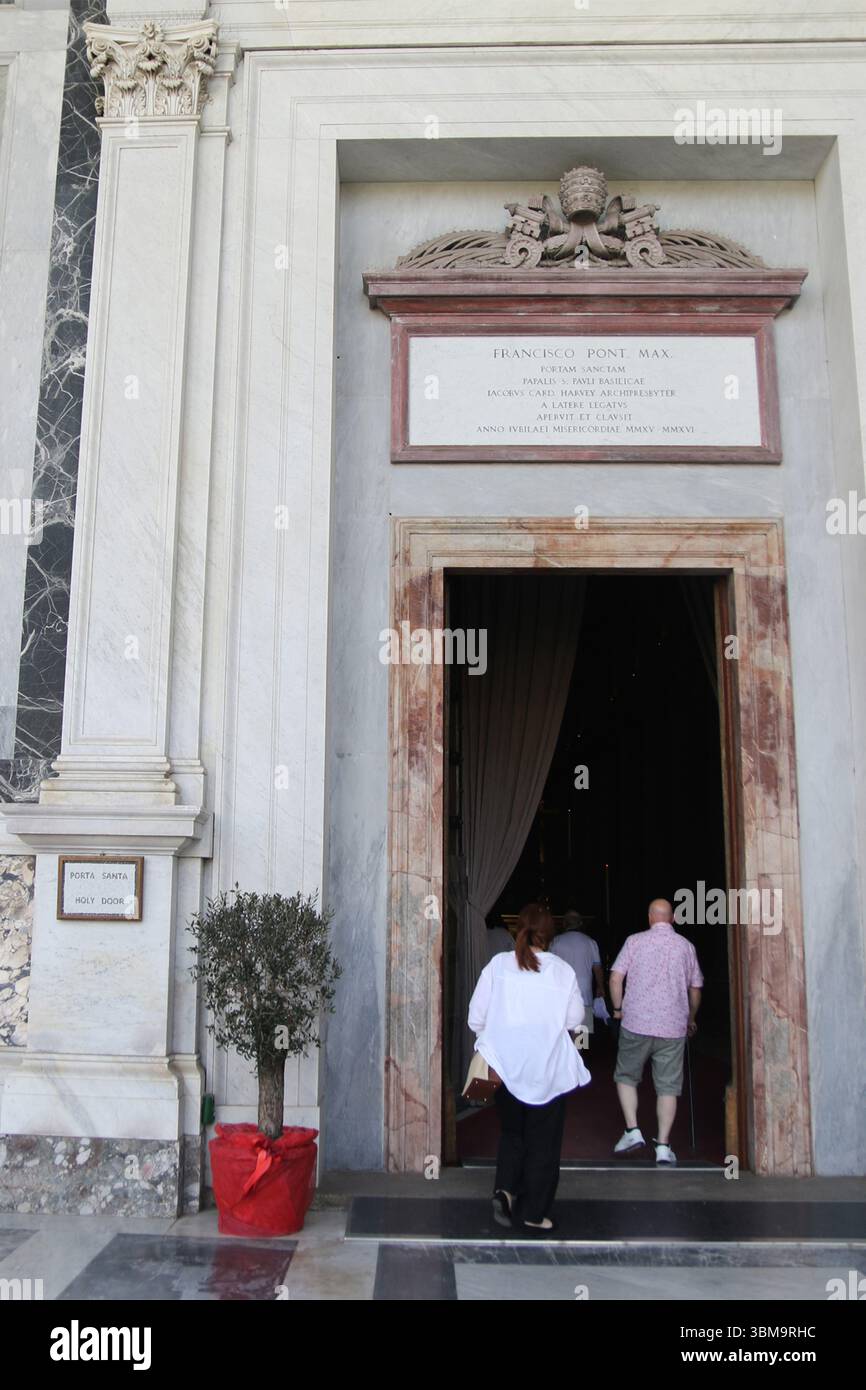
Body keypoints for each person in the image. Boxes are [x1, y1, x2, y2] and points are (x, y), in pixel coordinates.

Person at [468, 901, 589, 1232]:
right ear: (551, 934)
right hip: (547, 1069)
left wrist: (499, 1036)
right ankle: (534, 1212)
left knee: (512, 1134)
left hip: (505, 1069)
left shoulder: (498, 965)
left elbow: (475, 1016)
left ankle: (505, 1192)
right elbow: (575, 1018)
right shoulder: (561, 972)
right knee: (544, 1143)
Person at [608, 897, 703, 1164]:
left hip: (636, 1023)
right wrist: (690, 1018)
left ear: (650, 918)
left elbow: (616, 977)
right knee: (668, 1087)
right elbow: (695, 989)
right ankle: (663, 1145)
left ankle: (632, 1129)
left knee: (626, 1075)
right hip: (673, 1027)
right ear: (671, 918)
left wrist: (617, 1009)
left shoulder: (634, 941)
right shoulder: (686, 946)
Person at [550, 908, 604, 1038]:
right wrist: (600, 987)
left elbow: (550, 969)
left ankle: (565, 1056)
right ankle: (579, 1056)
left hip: (561, 993)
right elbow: (597, 969)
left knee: (562, 1033)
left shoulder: (555, 942)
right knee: (581, 1034)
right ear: (580, 924)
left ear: (564, 924)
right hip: (584, 993)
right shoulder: (590, 942)